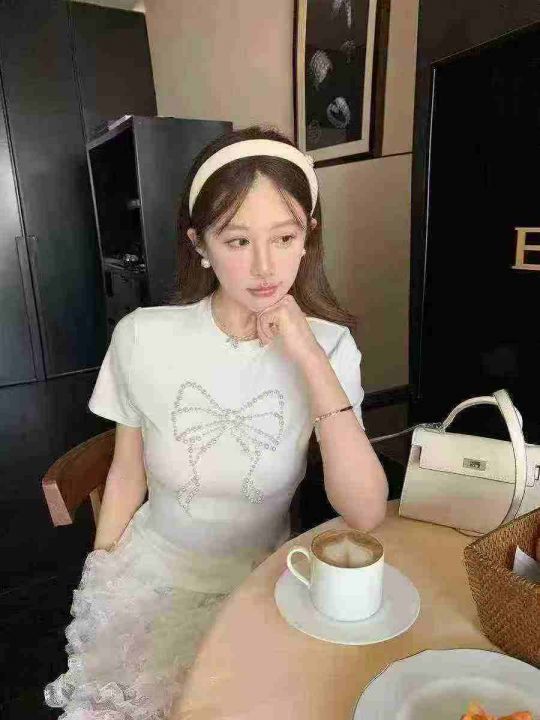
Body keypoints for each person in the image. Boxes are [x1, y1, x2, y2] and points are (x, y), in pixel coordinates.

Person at [44, 125, 388, 719]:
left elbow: (365, 512)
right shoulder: (143, 337)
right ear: (199, 243)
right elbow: (127, 472)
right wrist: (101, 580)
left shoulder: (330, 346)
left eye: (285, 237)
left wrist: (308, 355)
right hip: (153, 579)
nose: (265, 266)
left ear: (308, 236)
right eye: (237, 241)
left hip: (264, 584)